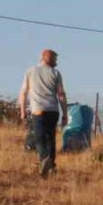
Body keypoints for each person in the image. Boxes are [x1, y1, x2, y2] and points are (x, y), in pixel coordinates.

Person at [18, 49, 68, 177]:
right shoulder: (56, 73)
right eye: (55, 59)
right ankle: (51, 166)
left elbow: (23, 93)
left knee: (40, 138)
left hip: (38, 110)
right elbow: (61, 95)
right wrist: (65, 113)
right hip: (53, 111)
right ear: (49, 59)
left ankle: (44, 161)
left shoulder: (30, 71)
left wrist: (23, 111)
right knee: (50, 138)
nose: (56, 62)